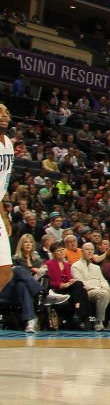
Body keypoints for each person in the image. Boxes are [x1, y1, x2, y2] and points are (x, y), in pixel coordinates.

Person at [0, 104, 15, 294]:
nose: (3, 116)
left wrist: (4, 217)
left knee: (5, 272)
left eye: (6, 113)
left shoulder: (8, 144)